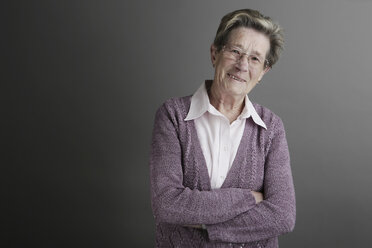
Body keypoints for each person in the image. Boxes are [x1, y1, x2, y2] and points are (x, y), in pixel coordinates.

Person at [149, 9, 295, 248]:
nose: (242, 65)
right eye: (235, 51)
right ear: (214, 53)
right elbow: (166, 204)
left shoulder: (271, 128)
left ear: (263, 73)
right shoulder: (172, 115)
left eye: (255, 59)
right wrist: (249, 198)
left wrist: (207, 224)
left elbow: (282, 215)